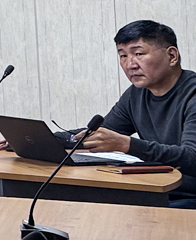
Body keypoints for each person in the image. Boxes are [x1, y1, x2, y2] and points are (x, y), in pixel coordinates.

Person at [82, 19, 196, 208]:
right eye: (123, 55)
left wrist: (129, 145)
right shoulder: (136, 94)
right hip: (158, 192)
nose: (130, 64)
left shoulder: (192, 93)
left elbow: (192, 158)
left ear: (172, 56)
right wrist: (42, 139)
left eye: (138, 54)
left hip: (189, 199)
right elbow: (101, 134)